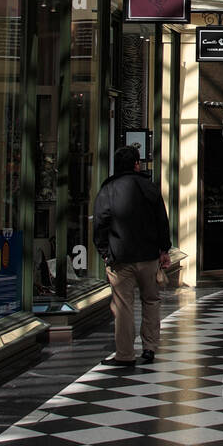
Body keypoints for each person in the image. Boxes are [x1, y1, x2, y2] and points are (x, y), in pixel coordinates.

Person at [93, 145, 172, 367]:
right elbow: (161, 221)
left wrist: (105, 253)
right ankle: (149, 348)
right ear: (137, 164)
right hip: (148, 257)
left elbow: (100, 223)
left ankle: (125, 354)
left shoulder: (108, 189)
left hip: (120, 258)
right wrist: (164, 250)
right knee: (151, 300)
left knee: (123, 305)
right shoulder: (149, 187)